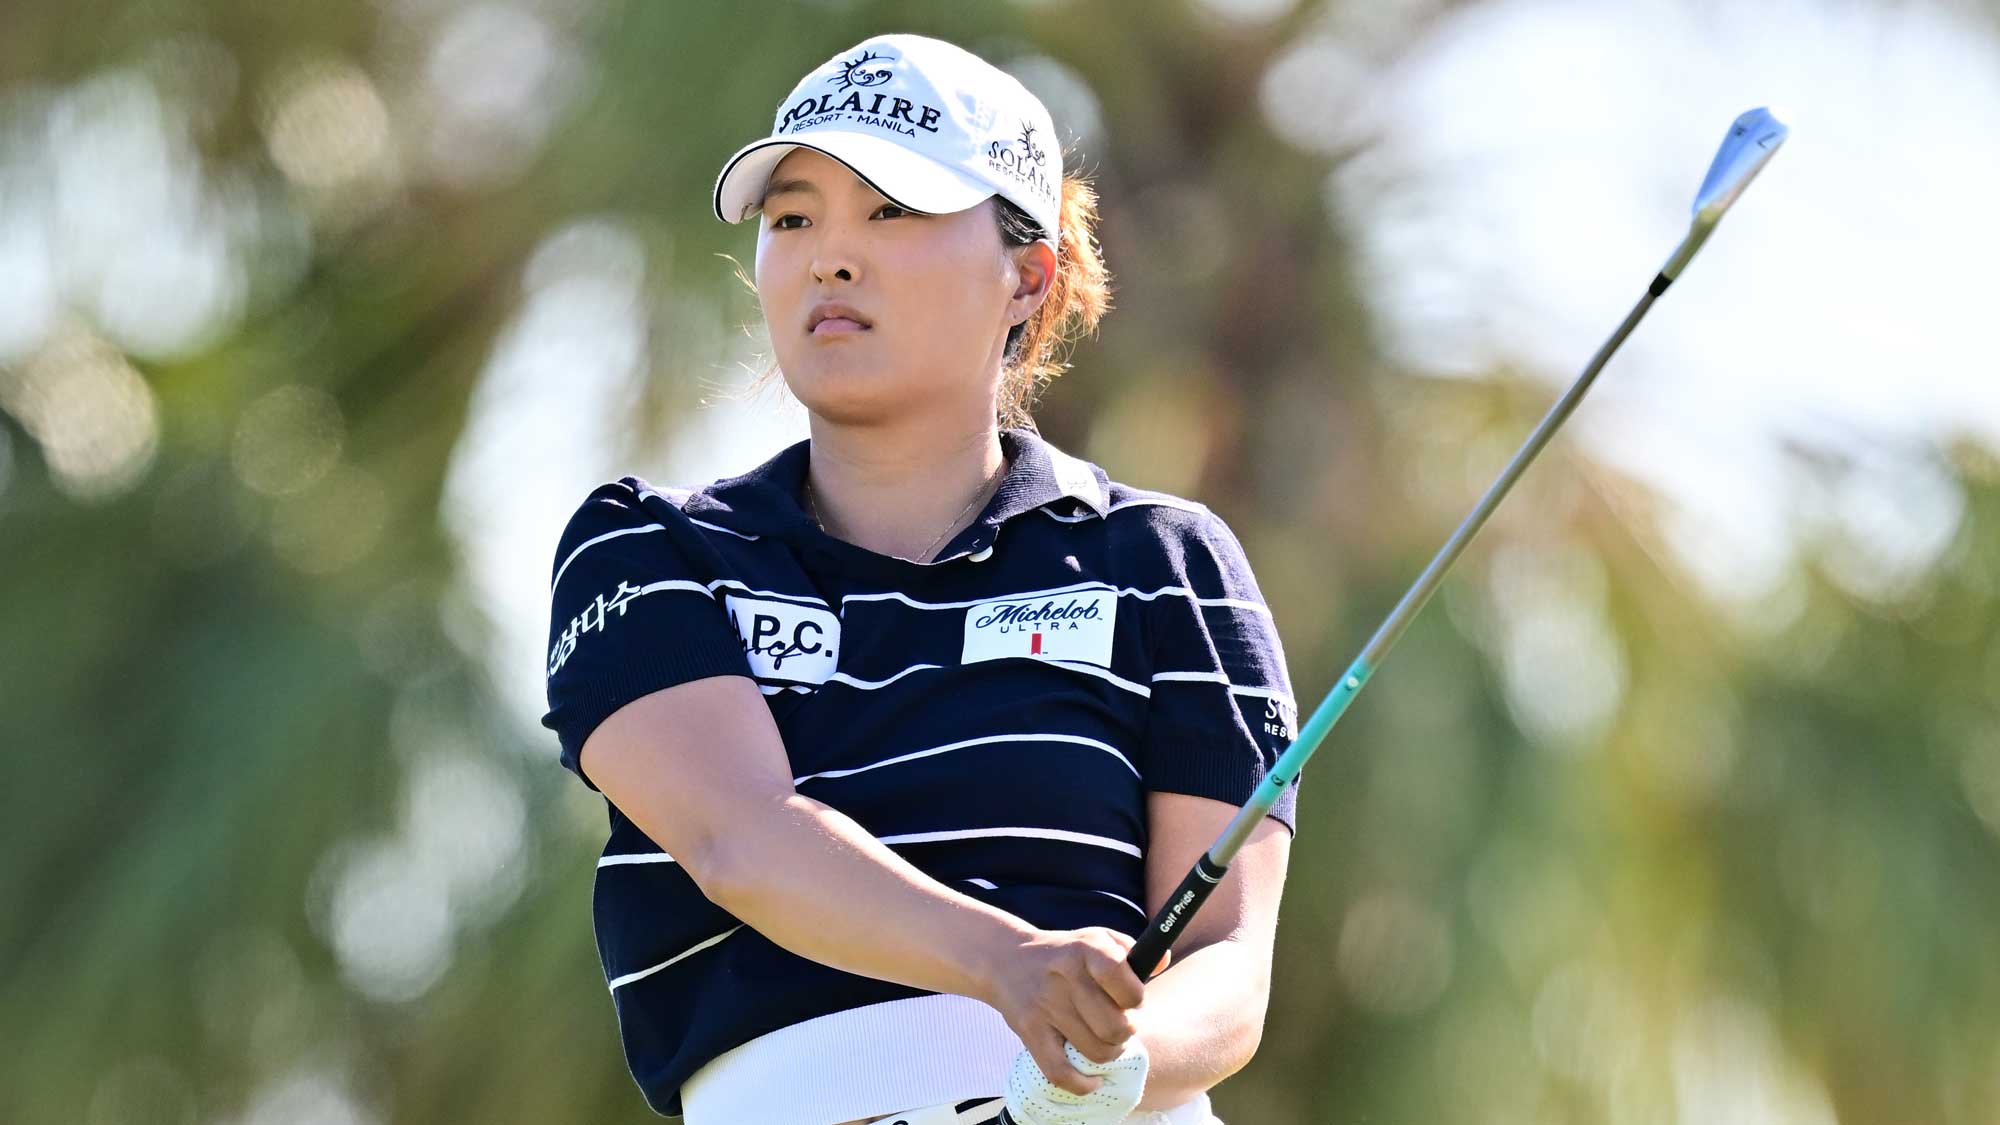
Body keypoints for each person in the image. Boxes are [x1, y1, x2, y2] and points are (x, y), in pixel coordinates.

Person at [542, 33, 1298, 1125]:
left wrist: (1103, 1067)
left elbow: (1229, 957)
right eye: (791, 218)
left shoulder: (1166, 566)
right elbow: (740, 838)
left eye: (891, 212)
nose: (828, 257)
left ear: (1025, 274)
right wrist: (1009, 966)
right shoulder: (650, 554)